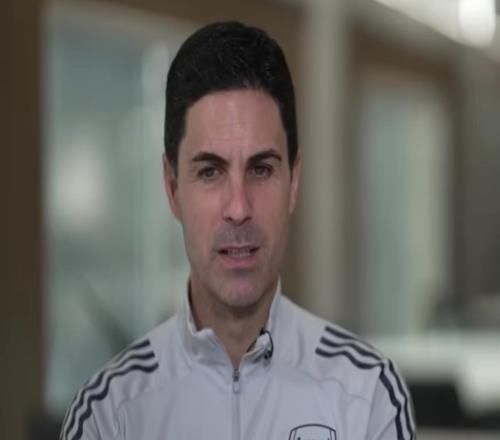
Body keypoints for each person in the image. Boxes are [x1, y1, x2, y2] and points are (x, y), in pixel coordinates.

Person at [60, 21, 416, 440]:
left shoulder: (368, 395)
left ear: (294, 182)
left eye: (261, 169)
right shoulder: (108, 416)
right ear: (172, 188)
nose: (239, 208)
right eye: (210, 172)